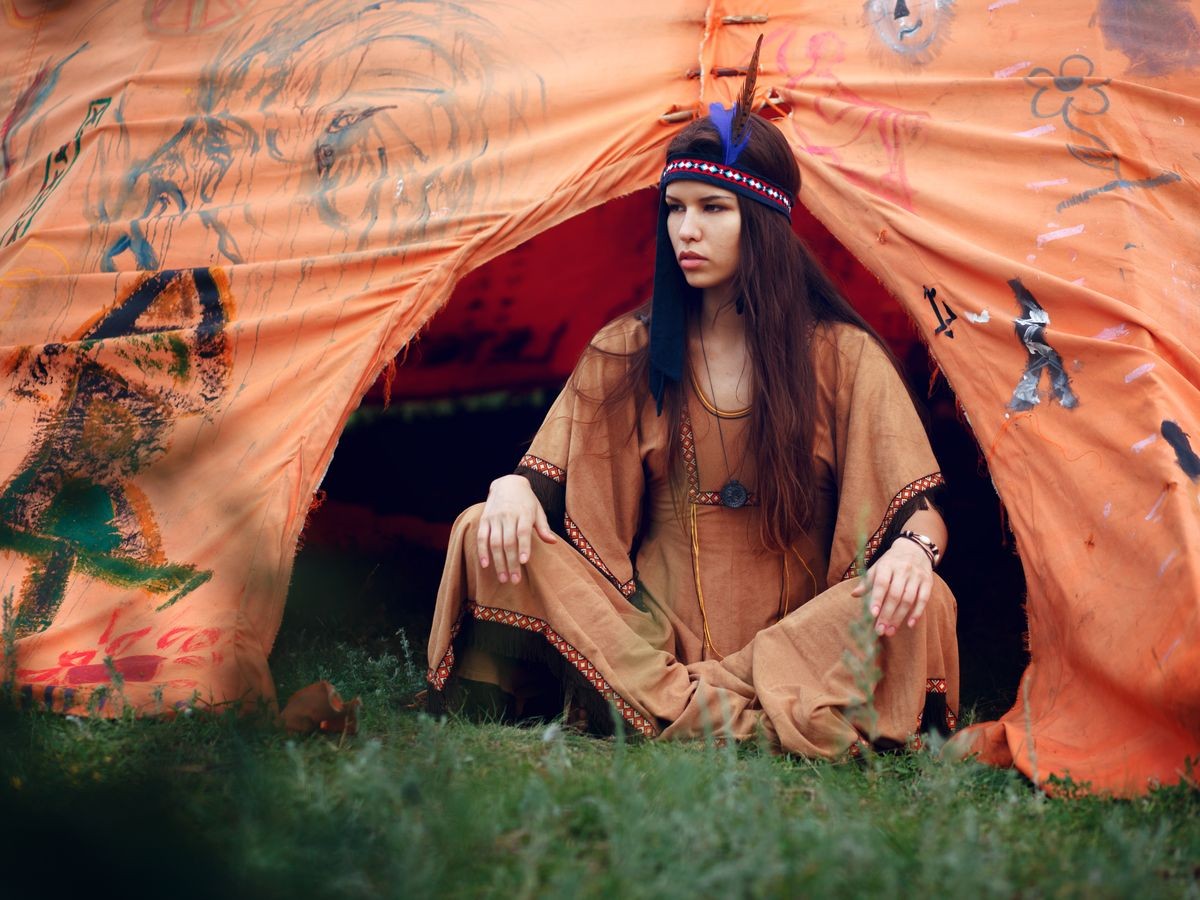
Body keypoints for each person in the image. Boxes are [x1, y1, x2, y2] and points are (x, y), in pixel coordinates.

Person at [426, 75, 959, 755]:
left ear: (762, 221)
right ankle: (759, 719)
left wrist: (915, 552)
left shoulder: (843, 357)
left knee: (926, 600)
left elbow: (920, 510)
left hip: (799, 639)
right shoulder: (626, 349)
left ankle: (671, 713)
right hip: (647, 641)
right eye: (674, 209)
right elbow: (541, 483)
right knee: (483, 530)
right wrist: (508, 488)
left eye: (712, 208)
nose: (686, 230)